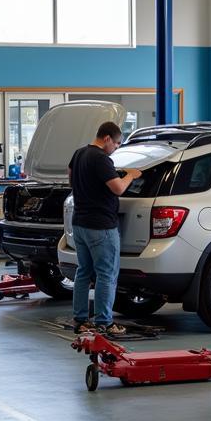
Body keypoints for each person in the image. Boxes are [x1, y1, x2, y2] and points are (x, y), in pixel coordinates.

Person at [68, 121, 141, 336]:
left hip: (80, 223)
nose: (116, 148)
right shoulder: (101, 159)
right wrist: (130, 175)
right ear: (107, 138)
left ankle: (80, 320)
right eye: (117, 144)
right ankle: (105, 322)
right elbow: (118, 188)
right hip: (101, 226)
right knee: (106, 274)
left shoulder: (79, 153)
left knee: (83, 272)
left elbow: (70, 177)